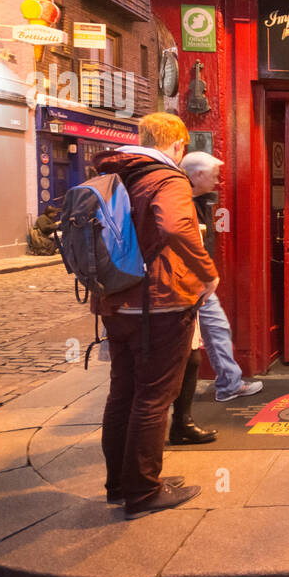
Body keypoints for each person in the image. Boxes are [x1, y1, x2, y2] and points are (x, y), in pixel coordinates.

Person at [91, 113, 216, 518]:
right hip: (159, 303)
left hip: (114, 300)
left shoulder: (115, 173)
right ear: (178, 145)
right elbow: (177, 227)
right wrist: (206, 273)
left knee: (123, 392)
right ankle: (144, 491)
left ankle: (120, 484)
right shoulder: (166, 177)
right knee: (154, 396)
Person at [178, 151, 262, 413]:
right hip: (185, 283)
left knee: (217, 329)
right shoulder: (178, 200)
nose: (218, 181)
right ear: (198, 174)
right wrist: (207, 273)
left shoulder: (193, 199)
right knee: (187, 341)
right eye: (214, 176)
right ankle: (177, 401)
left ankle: (228, 384)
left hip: (196, 281)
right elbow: (182, 242)